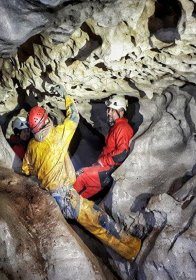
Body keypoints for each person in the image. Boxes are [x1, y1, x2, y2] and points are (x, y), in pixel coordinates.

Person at [22, 86, 141, 261]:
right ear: (46, 121)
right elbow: (74, 117)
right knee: (99, 222)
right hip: (68, 197)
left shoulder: (31, 147)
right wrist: (67, 97)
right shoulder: (56, 135)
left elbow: (26, 169)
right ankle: (133, 249)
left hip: (53, 200)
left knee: (84, 188)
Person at [73, 95, 133, 199]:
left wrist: (103, 161)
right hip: (105, 169)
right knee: (82, 197)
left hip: (108, 169)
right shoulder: (116, 127)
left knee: (80, 176)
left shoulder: (123, 128)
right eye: (109, 109)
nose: (109, 113)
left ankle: (63, 200)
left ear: (121, 112)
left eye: (112, 110)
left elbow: (121, 154)